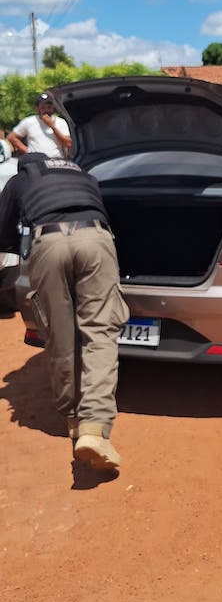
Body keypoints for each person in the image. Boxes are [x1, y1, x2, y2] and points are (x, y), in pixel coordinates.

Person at [0, 152, 129, 471]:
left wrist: (9, 269)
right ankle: (94, 428)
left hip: (50, 241)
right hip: (96, 238)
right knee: (99, 334)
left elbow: (4, 231)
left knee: (59, 332)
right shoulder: (84, 176)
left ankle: (72, 418)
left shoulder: (22, 179)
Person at [8, 92, 72, 159]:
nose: (46, 110)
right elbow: (12, 137)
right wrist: (28, 152)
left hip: (56, 160)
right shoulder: (29, 121)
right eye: (43, 108)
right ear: (37, 108)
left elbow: (67, 143)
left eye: (49, 107)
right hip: (36, 161)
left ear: (53, 108)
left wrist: (52, 126)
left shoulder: (60, 122)